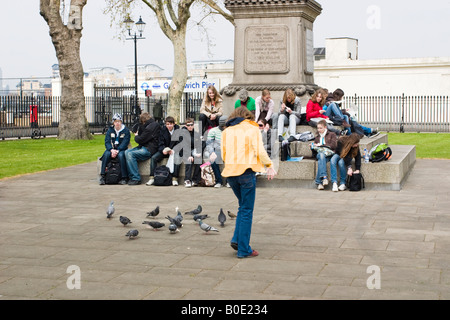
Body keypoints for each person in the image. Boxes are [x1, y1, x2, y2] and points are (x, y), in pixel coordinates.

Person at [221, 106, 277, 258]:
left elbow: (224, 154)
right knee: (246, 210)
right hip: (246, 171)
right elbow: (259, 150)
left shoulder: (226, 131)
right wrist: (269, 165)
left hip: (231, 173)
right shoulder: (251, 128)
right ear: (248, 117)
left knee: (242, 207)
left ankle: (237, 240)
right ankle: (243, 249)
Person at [125, 112, 160, 185]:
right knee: (127, 152)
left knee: (130, 154)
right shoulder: (150, 125)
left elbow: (140, 139)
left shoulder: (150, 127)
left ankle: (135, 178)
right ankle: (129, 176)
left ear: (143, 121)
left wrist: (136, 135)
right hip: (145, 146)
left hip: (149, 149)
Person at [147, 116, 181, 186]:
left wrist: (173, 150)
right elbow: (160, 142)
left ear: (174, 124)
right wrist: (163, 149)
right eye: (167, 124)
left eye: (171, 124)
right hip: (165, 150)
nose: (169, 126)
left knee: (177, 158)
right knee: (154, 158)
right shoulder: (162, 130)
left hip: (174, 151)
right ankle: (152, 177)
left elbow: (180, 143)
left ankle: (174, 178)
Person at [99, 113, 130, 185]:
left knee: (121, 156)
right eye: (116, 121)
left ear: (121, 122)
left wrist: (117, 150)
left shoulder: (126, 131)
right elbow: (107, 142)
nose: (117, 123)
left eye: (119, 121)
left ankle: (124, 177)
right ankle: (103, 176)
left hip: (121, 149)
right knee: (106, 154)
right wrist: (111, 150)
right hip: (112, 149)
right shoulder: (110, 130)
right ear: (113, 123)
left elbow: (125, 142)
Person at [311, 119, 338, 190]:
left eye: (321, 128)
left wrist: (321, 145)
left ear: (325, 127)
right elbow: (315, 153)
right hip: (320, 154)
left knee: (321, 161)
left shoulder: (332, 134)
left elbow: (333, 145)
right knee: (321, 155)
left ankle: (319, 182)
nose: (319, 130)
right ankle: (324, 177)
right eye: (318, 128)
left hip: (330, 154)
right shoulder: (317, 137)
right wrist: (312, 147)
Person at [204, 115, 228, 187]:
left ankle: (229, 181)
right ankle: (219, 181)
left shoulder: (230, 131)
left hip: (228, 151)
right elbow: (209, 144)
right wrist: (212, 152)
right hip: (216, 151)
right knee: (213, 160)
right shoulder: (213, 131)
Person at [179, 118, 203, 188]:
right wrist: (189, 155)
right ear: (186, 126)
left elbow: (199, 144)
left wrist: (198, 153)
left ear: (193, 125)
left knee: (199, 160)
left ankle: (195, 180)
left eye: (191, 125)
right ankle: (187, 180)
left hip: (193, 151)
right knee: (189, 161)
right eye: (188, 125)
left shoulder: (196, 134)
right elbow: (184, 146)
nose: (190, 126)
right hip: (184, 151)